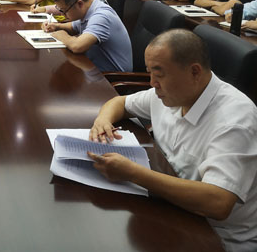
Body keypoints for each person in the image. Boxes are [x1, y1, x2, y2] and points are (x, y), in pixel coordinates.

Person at [88, 29, 257, 252]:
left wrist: (132, 173)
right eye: (149, 73)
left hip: (218, 236)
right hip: (174, 206)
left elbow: (218, 202)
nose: (152, 83)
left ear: (194, 72)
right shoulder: (172, 93)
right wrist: (103, 120)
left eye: (159, 74)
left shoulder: (234, 120)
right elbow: (120, 103)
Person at [43, 0, 132, 72]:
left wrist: (62, 35)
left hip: (111, 76)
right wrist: (56, 26)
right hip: (93, 67)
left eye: (64, 11)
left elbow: (77, 46)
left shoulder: (101, 16)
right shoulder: (89, 6)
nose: (63, 15)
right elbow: (74, 26)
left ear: (80, 4)